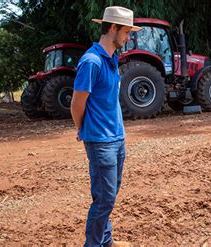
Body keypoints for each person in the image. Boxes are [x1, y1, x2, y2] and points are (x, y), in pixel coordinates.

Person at [70, 6, 141, 247]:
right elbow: (77, 104)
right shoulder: (91, 62)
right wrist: (84, 129)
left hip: (117, 139)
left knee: (107, 197)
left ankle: (106, 240)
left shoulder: (111, 59)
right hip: (101, 142)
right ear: (112, 28)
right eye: (126, 32)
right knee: (104, 200)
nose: (128, 37)